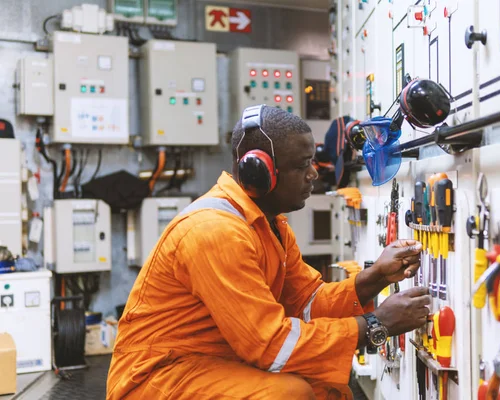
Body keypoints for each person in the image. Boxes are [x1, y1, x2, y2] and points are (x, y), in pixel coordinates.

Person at [106, 105, 431, 399]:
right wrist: (376, 323)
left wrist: (375, 278)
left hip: (207, 365)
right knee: (289, 395)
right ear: (258, 173)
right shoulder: (215, 232)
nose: (313, 173)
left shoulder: (268, 226)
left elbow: (306, 304)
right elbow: (269, 344)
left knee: (327, 390)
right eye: (302, 165)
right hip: (155, 381)